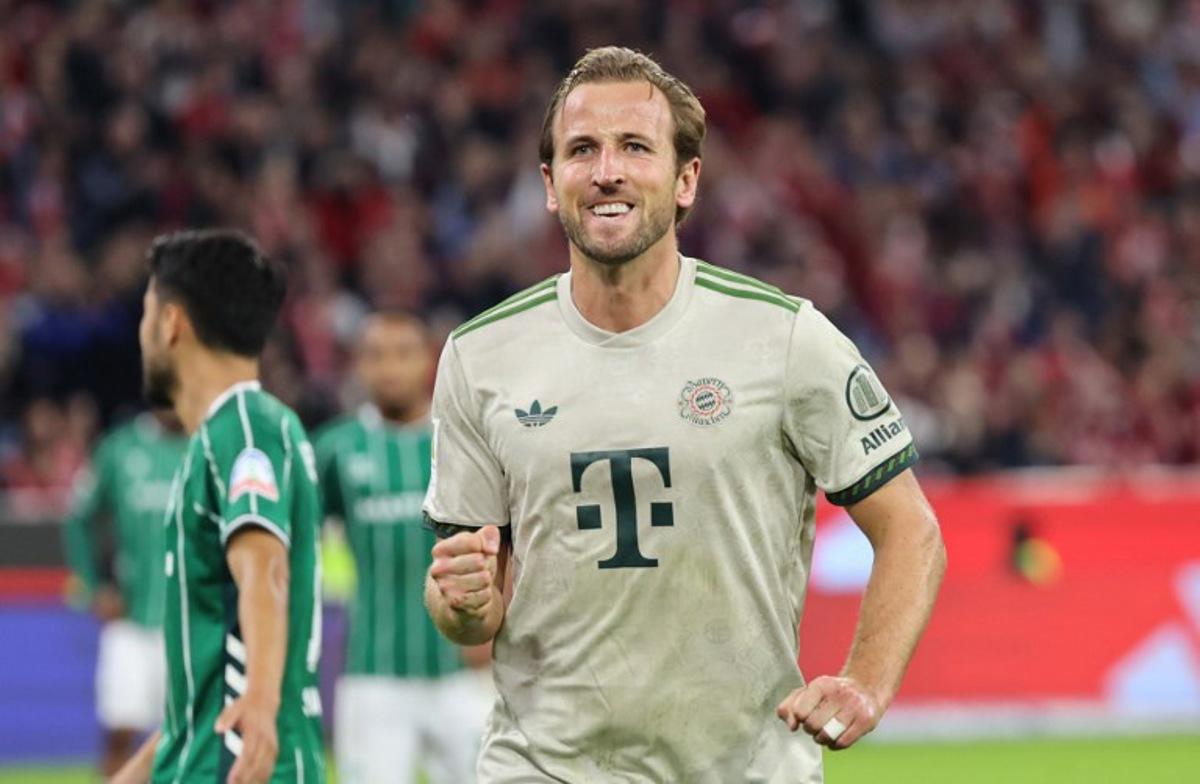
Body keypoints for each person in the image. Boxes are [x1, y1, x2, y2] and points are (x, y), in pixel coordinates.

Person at [423, 46, 947, 782]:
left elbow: (912, 531)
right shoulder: (480, 356)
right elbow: (468, 609)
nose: (607, 170)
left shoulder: (785, 338)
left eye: (635, 147)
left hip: (741, 766)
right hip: (544, 766)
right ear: (550, 184)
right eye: (582, 151)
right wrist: (461, 601)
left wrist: (865, 679)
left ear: (685, 180)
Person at [112, 229, 324, 784]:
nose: (141, 333)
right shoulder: (229, 436)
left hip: (240, 765)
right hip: (210, 755)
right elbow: (202, 701)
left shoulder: (244, 429)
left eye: (144, 315)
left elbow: (264, 571)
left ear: (171, 323)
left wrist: (259, 702)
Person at [314, 311, 492, 784]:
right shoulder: (337, 449)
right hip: (373, 674)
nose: (389, 367)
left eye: (402, 354)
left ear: (429, 361)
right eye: (374, 355)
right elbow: (294, 542)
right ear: (357, 366)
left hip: (465, 672)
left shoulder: (466, 442)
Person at [62, 409, 187, 777]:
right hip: (130, 622)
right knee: (120, 731)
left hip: (188, 626)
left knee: (189, 736)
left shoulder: (204, 446)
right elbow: (79, 516)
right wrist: (94, 585)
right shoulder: (118, 449)